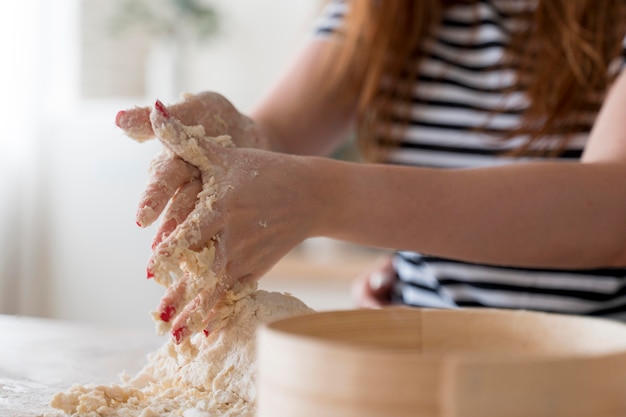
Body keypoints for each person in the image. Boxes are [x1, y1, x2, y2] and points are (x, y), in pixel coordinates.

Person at [116, 0, 626, 340]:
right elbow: (275, 134)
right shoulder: (386, 12)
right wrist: (231, 137)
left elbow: (612, 208)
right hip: (418, 363)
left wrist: (324, 196)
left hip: (592, 376)